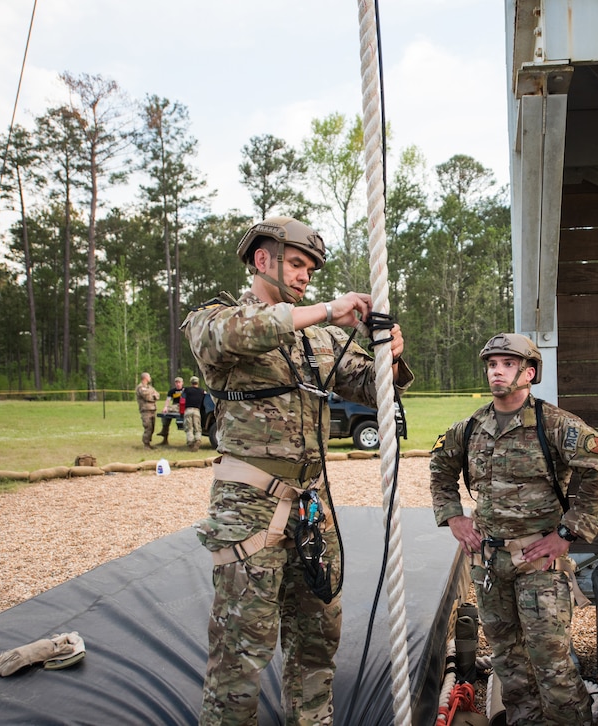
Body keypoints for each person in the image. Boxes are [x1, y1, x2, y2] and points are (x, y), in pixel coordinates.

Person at [182, 215, 412, 726]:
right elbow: (233, 335)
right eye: (297, 264)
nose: (306, 275)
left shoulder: (321, 339)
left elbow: (373, 385)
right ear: (262, 261)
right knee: (243, 647)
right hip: (250, 508)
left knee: (317, 634)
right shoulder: (217, 317)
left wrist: (390, 352)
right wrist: (328, 310)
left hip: (312, 506)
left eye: (311, 268)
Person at [429, 333, 598, 726]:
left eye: (507, 363)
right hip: (489, 565)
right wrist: (454, 516)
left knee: (551, 662)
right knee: (508, 662)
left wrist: (567, 533)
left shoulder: (555, 425)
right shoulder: (470, 428)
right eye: (491, 364)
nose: (496, 371)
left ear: (529, 372)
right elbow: (440, 469)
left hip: (539, 565)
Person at [135, 372, 160, 449]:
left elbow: (157, 395)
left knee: (152, 427)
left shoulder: (150, 387)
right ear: (145, 378)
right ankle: (146, 444)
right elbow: (147, 397)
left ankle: (149, 443)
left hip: (152, 409)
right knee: (148, 427)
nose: (150, 378)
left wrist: (153, 395)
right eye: (149, 376)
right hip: (145, 410)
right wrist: (152, 396)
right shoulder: (140, 387)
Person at [181, 375, 206, 451]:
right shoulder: (201, 390)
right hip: (196, 411)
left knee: (189, 428)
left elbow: (182, 397)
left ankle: (190, 442)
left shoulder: (186, 389)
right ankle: (198, 439)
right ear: (197, 382)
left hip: (188, 410)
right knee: (197, 428)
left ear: (191, 382)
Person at [159, 376, 185, 446]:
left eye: (179, 382)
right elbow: (168, 400)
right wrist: (165, 407)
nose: (178, 384)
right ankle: (164, 432)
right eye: (176, 382)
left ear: (182, 383)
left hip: (183, 406)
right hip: (175, 406)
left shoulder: (185, 390)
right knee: (165, 414)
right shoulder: (172, 391)